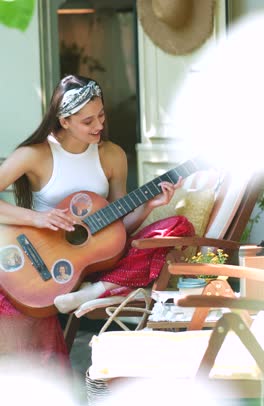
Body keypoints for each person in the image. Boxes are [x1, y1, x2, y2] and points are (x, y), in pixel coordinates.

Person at [0, 74, 194, 362]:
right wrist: (37, 219)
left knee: (176, 228)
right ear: (64, 121)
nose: (100, 125)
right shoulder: (34, 155)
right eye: (88, 121)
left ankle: (93, 292)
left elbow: (119, 230)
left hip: (95, 264)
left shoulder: (112, 155)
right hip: (42, 268)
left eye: (101, 115)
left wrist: (149, 206)